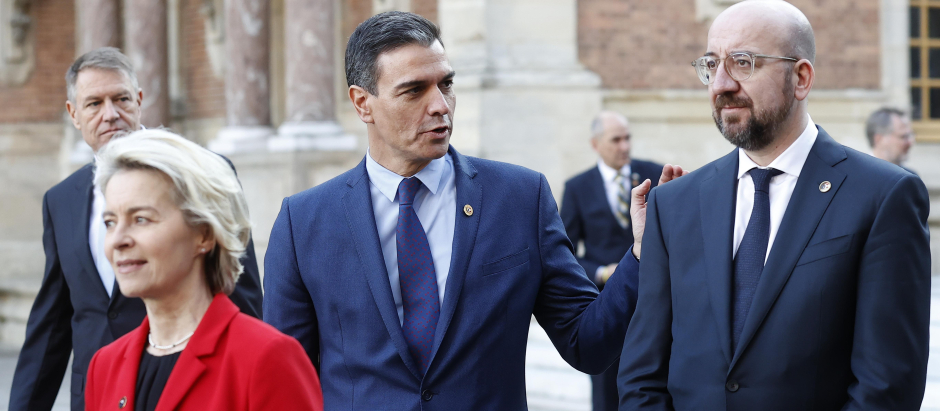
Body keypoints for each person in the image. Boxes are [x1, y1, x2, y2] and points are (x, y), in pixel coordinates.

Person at [263, 11, 684, 409]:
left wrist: (642, 253)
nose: (440, 106)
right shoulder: (304, 223)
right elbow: (285, 383)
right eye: (414, 90)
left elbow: (588, 344)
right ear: (362, 103)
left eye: (446, 84)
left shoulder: (520, 198)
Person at [618, 1, 931, 410]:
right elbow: (642, 377)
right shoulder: (673, 204)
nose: (721, 84)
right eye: (712, 65)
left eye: (744, 63)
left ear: (801, 78)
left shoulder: (883, 196)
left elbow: (887, 385)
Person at [9, 48, 263, 411]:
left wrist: (249, 372)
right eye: (94, 103)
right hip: (98, 392)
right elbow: (52, 322)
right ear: (74, 115)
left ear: (140, 101)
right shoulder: (60, 200)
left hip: (190, 383)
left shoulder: (203, 170)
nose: (110, 114)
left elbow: (240, 289)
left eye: (121, 99)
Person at [83, 129, 322, 410]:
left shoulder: (266, 357)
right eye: (110, 222)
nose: (118, 240)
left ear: (204, 234)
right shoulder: (104, 366)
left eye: (141, 219)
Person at [559, 111, 662, 411]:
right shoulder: (577, 188)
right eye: (615, 140)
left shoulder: (652, 175)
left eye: (627, 138)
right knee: (606, 395)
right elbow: (563, 255)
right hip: (606, 307)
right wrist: (602, 272)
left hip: (652, 300)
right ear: (595, 144)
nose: (624, 146)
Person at [866, 107, 916, 173]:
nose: (910, 142)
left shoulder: (911, 177)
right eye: (903, 136)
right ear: (879, 139)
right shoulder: (859, 175)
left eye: (910, 135)